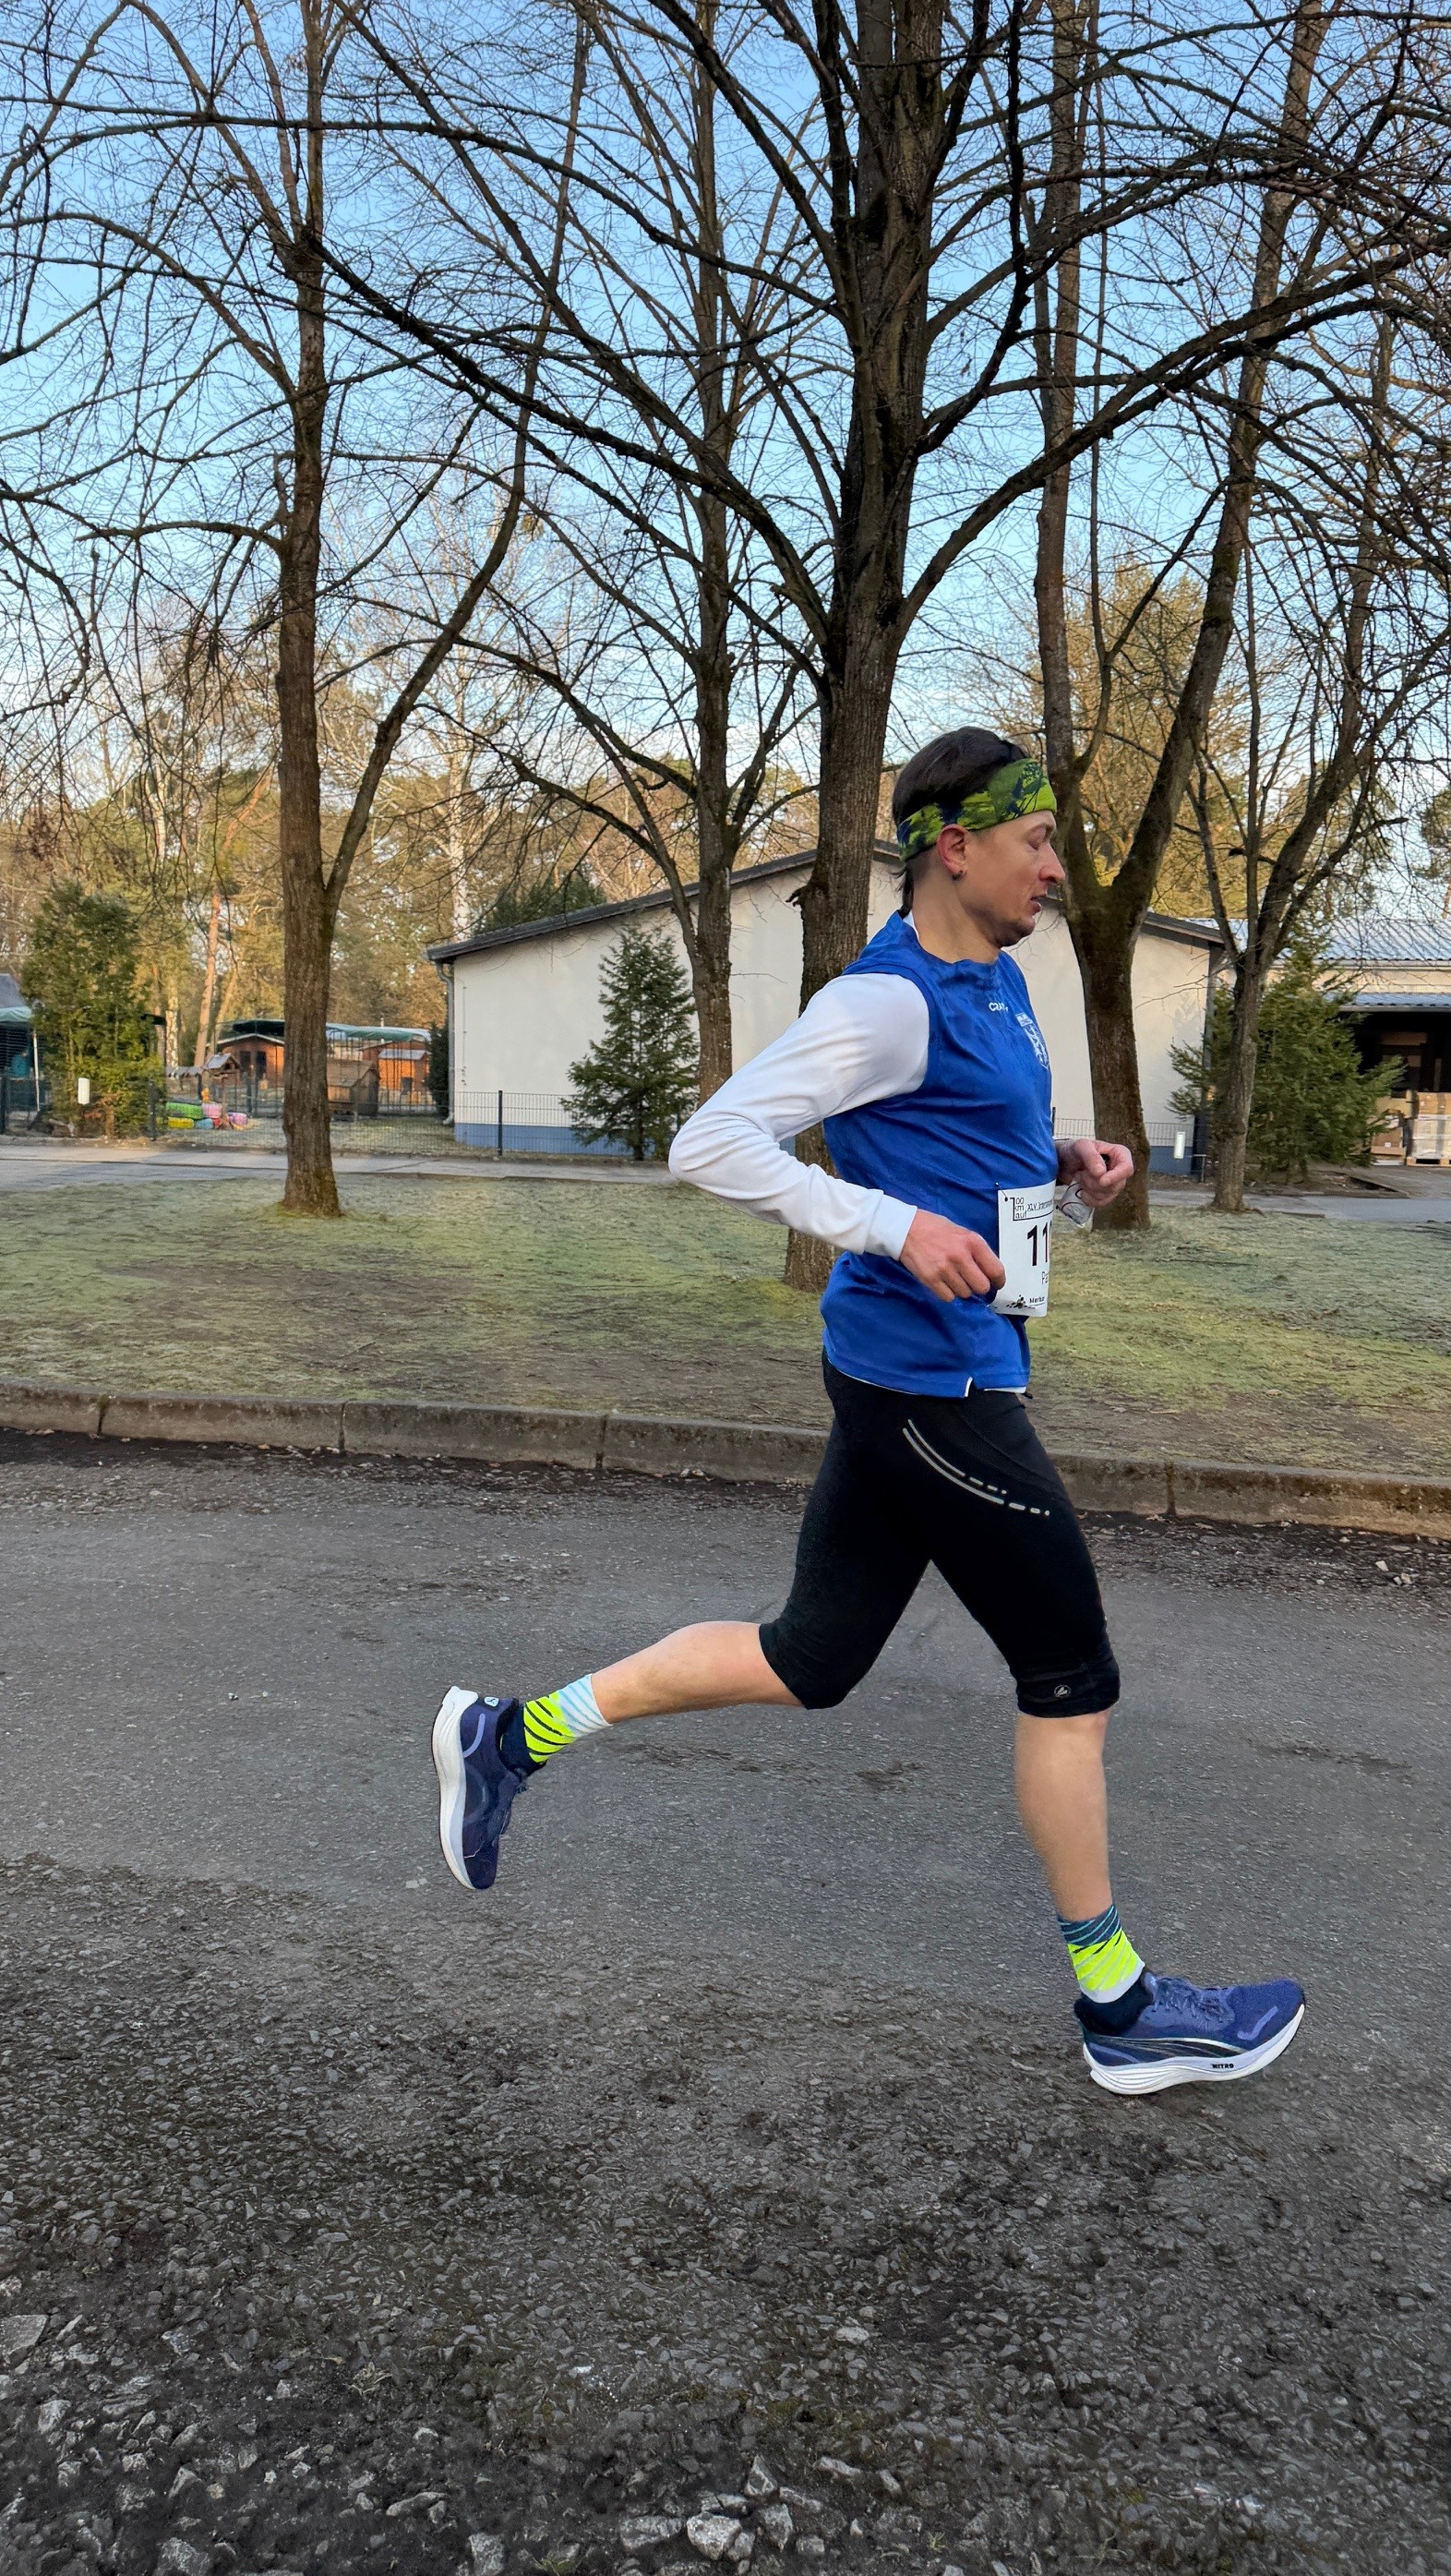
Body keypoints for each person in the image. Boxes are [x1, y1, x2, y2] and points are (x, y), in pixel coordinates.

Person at [432, 727, 1302, 2096]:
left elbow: (974, 1142)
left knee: (808, 1656)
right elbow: (709, 1142)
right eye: (1034, 843)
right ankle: (1121, 2009)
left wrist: (1067, 1167)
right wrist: (890, 1226)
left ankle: (511, 1735)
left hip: (934, 1371)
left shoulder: (1001, 982)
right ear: (952, 844)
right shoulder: (882, 998)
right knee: (1069, 1681)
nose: (1055, 868)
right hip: (930, 1389)